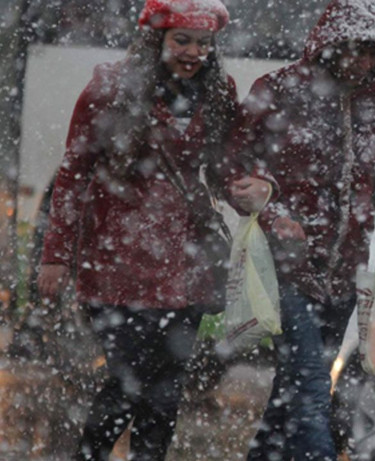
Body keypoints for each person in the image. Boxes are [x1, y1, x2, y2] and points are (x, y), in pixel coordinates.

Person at [37, 1, 274, 459]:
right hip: (113, 262)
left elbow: (222, 166)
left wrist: (249, 191)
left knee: (164, 392)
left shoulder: (218, 90)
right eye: (181, 40)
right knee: (129, 381)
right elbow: (73, 173)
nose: (193, 52)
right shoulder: (110, 88)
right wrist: (55, 255)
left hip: (184, 266)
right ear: (155, 40)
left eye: (204, 43)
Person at [232, 0, 375, 459]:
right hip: (285, 269)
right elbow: (235, 169)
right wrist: (274, 213)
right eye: (357, 49)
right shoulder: (277, 91)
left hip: (344, 277)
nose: (365, 62)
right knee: (314, 388)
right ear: (330, 44)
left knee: (289, 395)